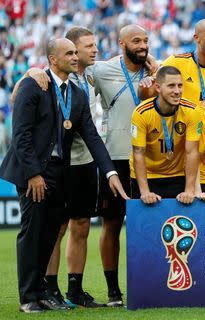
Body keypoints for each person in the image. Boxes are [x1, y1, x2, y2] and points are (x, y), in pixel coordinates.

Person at [0, 38, 127, 313]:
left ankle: (43, 292)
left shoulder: (77, 94)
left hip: (61, 173)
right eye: (69, 53)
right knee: (33, 233)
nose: (74, 56)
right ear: (53, 60)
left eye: (74, 52)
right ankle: (27, 298)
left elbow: (92, 137)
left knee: (49, 234)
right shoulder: (33, 86)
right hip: (34, 172)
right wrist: (33, 174)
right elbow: (20, 135)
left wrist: (110, 173)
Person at [39, 27, 105, 309]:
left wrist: (152, 63)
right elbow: (25, 85)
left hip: (86, 162)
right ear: (70, 51)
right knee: (57, 227)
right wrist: (32, 72)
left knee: (81, 225)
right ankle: (49, 288)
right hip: (60, 163)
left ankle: (75, 290)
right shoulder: (47, 77)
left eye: (93, 46)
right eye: (85, 47)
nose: (93, 51)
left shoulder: (95, 74)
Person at [93, 24, 149, 307]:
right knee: (112, 223)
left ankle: (151, 285)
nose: (142, 45)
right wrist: (34, 71)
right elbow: (70, 72)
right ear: (121, 43)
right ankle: (114, 291)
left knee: (150, 224)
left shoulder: (156, 71)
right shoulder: (102, 70)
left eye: (146, 40)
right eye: (136, 40)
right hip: (116, 158)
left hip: (150, 160)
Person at [130, 66, 205, 204]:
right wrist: (145, 192)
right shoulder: (141, 113)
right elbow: (138, 152)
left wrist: (189, 190)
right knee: (148, 224)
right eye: (171, 86)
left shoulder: (192, 111)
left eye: (180, 86)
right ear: (158, 88)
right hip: (147, 176)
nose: (177, 91)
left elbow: (192, 152)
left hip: (176, 175)